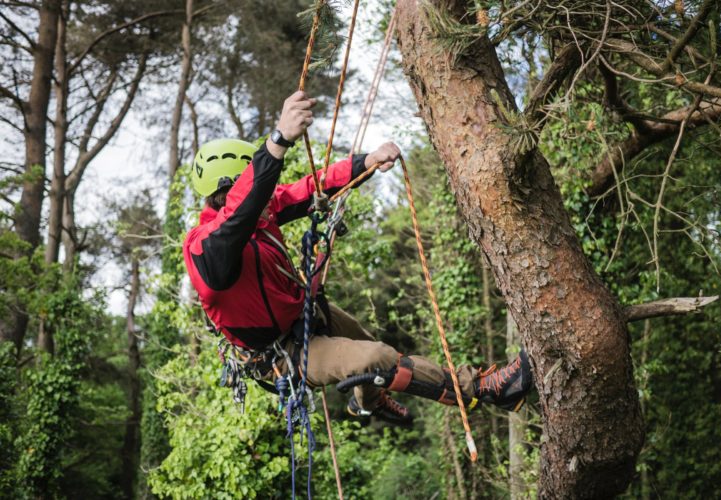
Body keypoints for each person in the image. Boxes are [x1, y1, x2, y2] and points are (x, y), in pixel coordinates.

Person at [183, 90, 532, 424]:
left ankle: (368, 401)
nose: (270, 197)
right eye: (258, 190)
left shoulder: (263, 210)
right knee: (376, 359)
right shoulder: (205, 249)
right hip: (281, 355)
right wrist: (277, 141)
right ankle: (485, 390)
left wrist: (367, 161)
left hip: (303, 315)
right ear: (230, 192)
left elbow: (309, 189)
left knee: (365, 341)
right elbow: (236, 222)